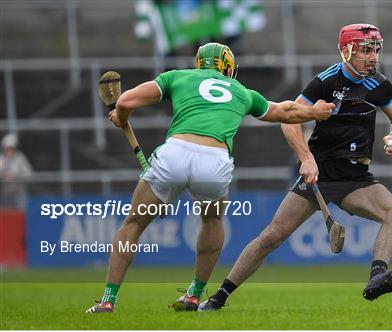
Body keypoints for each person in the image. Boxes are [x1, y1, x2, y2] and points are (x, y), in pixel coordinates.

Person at [85, 42, 334, 313]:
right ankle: (194, 294)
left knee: (132, 224)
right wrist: (314, 112)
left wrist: (122, 117)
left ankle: (108, 300)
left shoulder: (177, 77)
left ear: (198, 63)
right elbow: (284, 111)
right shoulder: (241, 91)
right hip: (214, 162)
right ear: (228, 68)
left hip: (174, 155)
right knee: (212, 220)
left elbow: (125, 101)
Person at [201, 23, 392, 310]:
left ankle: (377, 277)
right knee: (271, 237)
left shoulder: (379, 84)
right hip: (320, 176)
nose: (373, 56)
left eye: (375, 49)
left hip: (357, 178)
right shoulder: (325, 82)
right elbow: (290, 119)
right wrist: (306, 157)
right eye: (365, 50)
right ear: (346, 51)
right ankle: (218, 297)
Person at [0, 133, 33, 209]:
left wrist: (14, 177)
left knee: (19, 213)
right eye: (7, 149)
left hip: (18, 192)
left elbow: (28, 174)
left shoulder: (20, 158)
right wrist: (3, 176)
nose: (10, 152)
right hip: (3, 193)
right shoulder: (1, 159)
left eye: (12, 149)